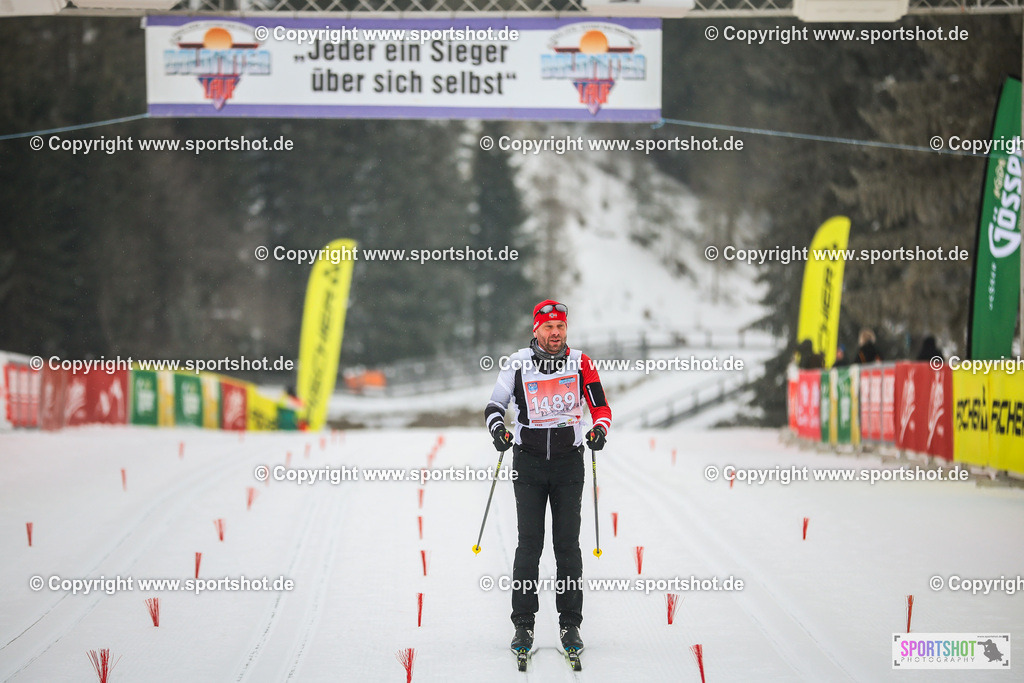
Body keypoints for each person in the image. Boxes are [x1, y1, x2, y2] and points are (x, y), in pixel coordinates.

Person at [484, 299, 612, 661]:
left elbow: (601, 406)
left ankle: (570, 622)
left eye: (561, 327)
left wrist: (599, 430)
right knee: (529, 545)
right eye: (549, 327)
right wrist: (499, 431)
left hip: (570, 463)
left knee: (567, 547)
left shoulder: (581, 362)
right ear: (535, 329)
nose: (556, 334)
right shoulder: (517, 364)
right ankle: (523, 623)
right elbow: (495, 405)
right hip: (530, 463)